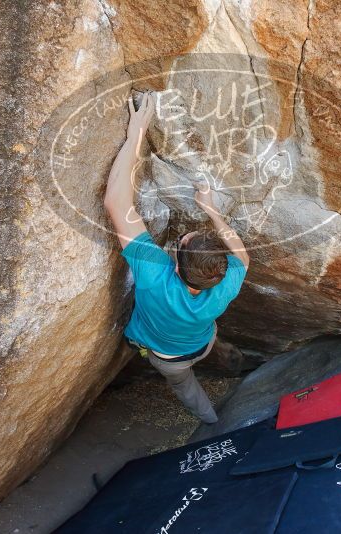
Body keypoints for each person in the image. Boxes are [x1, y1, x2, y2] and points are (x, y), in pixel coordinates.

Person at [103, 90, 250, 424]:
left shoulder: (154, 274)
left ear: (176, 262)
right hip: (202, 341)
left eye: (185, 239)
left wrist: (136, 135)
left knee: (184, 387)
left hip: (170, 358)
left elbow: (116, 203)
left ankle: (210, 421)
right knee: (206, 338)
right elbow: (242, 255)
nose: (185, 234)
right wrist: (212, 210)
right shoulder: (226, 285)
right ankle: (222, 359)